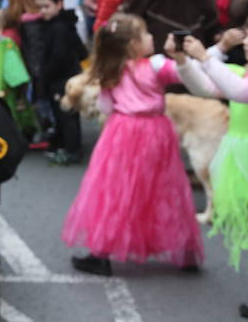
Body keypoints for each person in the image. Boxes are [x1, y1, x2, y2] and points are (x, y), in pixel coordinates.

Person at [61, 14, 204, 276]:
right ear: (133, 44)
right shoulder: (156, 66)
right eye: (146, 34)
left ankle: (100, 253)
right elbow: (184, 74)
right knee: (166, 186)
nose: (152, 37)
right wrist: (198, 55)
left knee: (115, 190)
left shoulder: (110, 72)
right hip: (156, 131)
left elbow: (105, 106)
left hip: (122, 132)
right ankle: (185, 252)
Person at [171, 12, 248, 321]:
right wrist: (184, 59)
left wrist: (206, 56)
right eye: (246, 35)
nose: (246, 42)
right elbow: (205, 86)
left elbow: (240, 92)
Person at [32, 0, 87, 165]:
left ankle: (72, 150)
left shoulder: (58, 28)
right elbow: (81, 51)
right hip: (66, 74)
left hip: (61, 77)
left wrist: (45, 72)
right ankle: (67, 145)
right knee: (65, 114)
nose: (42, 11)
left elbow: (58, 55)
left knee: (66, 114)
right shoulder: (65, 24)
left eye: (46, 7)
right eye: (39, 8)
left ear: (59, 4)